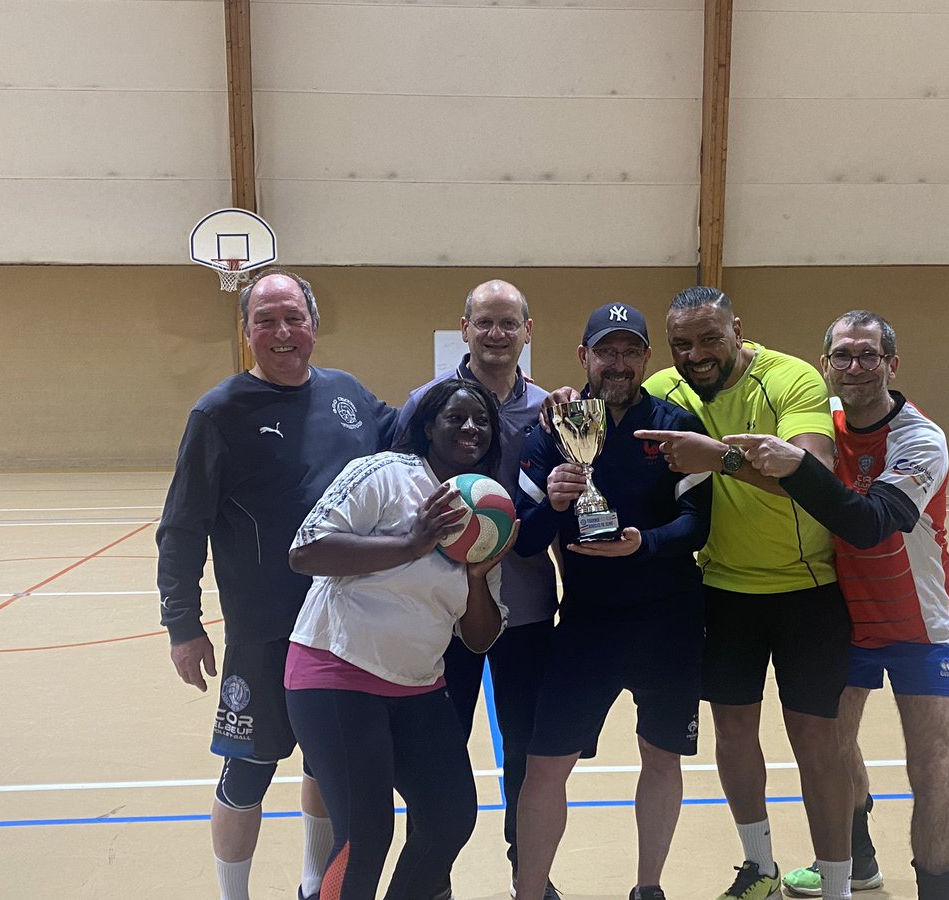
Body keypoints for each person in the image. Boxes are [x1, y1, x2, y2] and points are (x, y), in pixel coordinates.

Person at [156, 268, 397, 900]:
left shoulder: (348, 395)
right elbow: (181, 528)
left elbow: (419, 430)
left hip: (342, 629)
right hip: (264, 635)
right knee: (249, 770)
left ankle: (315, 885)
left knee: (324, 763)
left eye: (293, 317)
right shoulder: (218, 413)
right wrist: (183, 626)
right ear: (246, 332)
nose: (282, 331)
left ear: (314, 324)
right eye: (266, 319)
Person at [717, 310, 949, 900]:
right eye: (843, 356)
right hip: (846, 617)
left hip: (917, 624)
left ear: (891, 364)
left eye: (868, 355)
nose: (855, 367)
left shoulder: (919, 439)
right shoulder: (821, 426)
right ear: (824, 363)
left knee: (929, 764)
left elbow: (870, 524)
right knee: (833, 747)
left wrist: (799, 467)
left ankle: (939, 889)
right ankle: (858, 863)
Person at [633, 286, 854, 900]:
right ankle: (760, 865)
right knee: (732, 730)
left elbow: (813, 476)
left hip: (807, 586)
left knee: (816, 741)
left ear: (737, 331)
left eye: (710, 339)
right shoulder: (666, 393)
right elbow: (611, 417)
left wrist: (718, 457)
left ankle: (836, 883)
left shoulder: (791, 379)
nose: (696, 354)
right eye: (682, 344)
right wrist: (573, 400)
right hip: (723, 587)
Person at [285, 378, 514, 900]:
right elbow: (306, 550)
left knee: (449, 816)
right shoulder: (384, 474)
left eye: (482, 420)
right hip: (335, 674)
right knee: (365, 836)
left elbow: (479, 639)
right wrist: (412, 542)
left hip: (417, 687)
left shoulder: (489, 508)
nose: (471, 428)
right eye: (456, 417)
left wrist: (478, 579)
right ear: (429, 426)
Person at [513, 303, 712, 900]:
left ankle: (648, 886)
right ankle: (529, 891)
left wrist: (642, 545)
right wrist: (550, 502)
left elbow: (698, 526)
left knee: (661, 756)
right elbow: (522, 541)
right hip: (586, 626)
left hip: (668, 621)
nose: (618, 363)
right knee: (545, 763)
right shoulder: (555, 428)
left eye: (630, 351)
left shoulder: (676, 424)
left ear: (647, 358)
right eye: (607, 350)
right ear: (583, 356)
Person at [392, 280, 560, 898]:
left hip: (529, 609)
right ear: (463, 328)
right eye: (484, 322)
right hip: (443, 614)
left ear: (527, 330)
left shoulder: (552, 408)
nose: (496, 334)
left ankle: (529, 874)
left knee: (526, 753)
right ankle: (432, 876)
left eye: (508, 323)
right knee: (437, 754)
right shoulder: (427, 402)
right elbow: (398, 485)